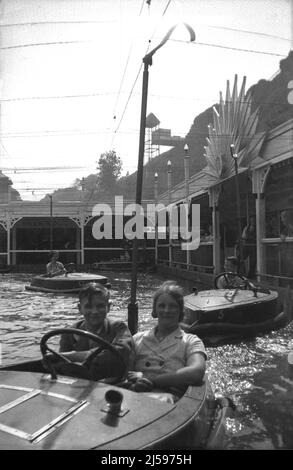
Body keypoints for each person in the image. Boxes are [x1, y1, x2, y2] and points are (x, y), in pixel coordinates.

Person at [127, 281, 207, 398]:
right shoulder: (137, 338)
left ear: (180, 311)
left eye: (173, 306)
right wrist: (134, 385)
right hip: (136, 396)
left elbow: (196, 372)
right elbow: (123, 372)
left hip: (169, 401)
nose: (166, 310)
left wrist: (151, 380)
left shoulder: (191, 341)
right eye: (162, 305)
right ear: (155, 310)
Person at [56, 283, 134, 381]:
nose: (94, 311)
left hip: (113, 386)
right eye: (88, 306)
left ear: (108, 307)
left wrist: (74, 356)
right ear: (80, 308)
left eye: (100, 306)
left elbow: (120, 352)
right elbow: (64, 366)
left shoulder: (119, 328)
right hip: (80, 385)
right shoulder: (70, 333)